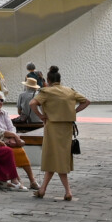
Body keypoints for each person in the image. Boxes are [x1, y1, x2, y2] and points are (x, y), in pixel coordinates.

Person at [33, 65, 90, 200]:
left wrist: (41, 116)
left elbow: (32, 104)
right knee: (59, 158)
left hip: (52, 127)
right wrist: (73, 112)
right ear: (60, 79)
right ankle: (44, 190)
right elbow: (86, 101)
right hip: (67, 128)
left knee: (54, 158)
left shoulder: (46, 92)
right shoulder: (69, 91)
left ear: (48, 79)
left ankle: (65, 191)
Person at [0, 90, 38, 191]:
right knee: (14, 151)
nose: (0, 102)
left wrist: (12, 137)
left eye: (2, 100)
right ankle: (17, 180)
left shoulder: (4, 112)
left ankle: (32, 180)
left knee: (20, 151)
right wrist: (13, 136)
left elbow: (11, 127)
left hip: (8, 139)